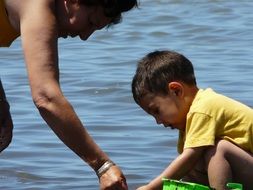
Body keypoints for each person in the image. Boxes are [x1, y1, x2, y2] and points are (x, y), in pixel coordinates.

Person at [0, 0, 138, 189]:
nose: (84, 36)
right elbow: (46, 97)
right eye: (90, 22)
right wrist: (102, 166)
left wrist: (1, 102)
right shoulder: (38, 5)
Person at [131, 50, 253, 190]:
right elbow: (186, 169)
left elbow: (188, 159)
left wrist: (150, 188)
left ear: (176, 91)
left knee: (219, 149)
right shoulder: (189, 121)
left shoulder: (203, 108)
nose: (158, 121)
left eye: (156, 111)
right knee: (195, 162)